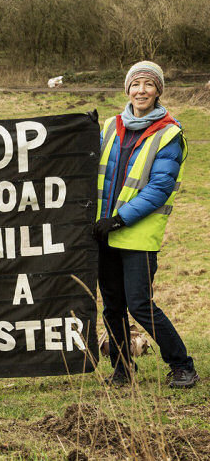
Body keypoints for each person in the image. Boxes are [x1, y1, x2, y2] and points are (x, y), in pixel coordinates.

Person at [95, 61, 197, 389]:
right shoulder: (110, 125)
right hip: (102, 233)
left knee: (138, 304)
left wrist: (119, 219)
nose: (141, 90)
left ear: (158, 92)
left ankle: (182, 366)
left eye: (149, 85)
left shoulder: (169, 133)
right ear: (127, 89)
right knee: (112, 306)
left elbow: (158, 188)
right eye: (136, 84)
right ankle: (123, 370)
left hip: (135, 234)